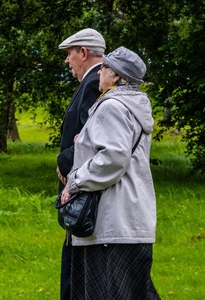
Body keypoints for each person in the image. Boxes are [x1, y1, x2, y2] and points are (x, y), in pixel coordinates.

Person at [60, 46, 160, 299]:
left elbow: (112, 158)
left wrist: (74, 183)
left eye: (104, 67)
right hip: (129, 220)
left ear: (115, 76)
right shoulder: (132, 106)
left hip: (111, 222)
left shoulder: (112, 107)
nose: (100, 72)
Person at [56, 28, 106, 300]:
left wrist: (63, 162)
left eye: (69, 54)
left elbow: (91, 137)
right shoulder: (91, 82)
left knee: (78, 274)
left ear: (83, 53)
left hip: (82, 190)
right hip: (79, 188)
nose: (67, 61)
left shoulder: (93, 83)